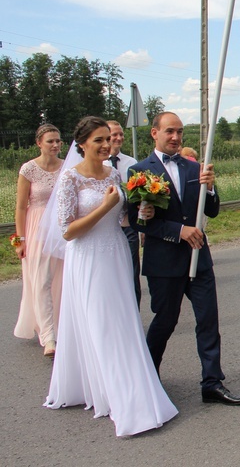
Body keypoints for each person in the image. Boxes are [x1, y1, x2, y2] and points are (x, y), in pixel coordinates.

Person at [44, 116, 177, 437]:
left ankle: (134, 383)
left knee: (123, 319)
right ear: (82, 145)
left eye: (108, 139)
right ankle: (117, 395)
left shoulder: (115, 173)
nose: (106, 145)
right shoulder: (70, 179)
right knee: (100, 324)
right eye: (98, 140)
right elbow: (67, 231)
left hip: (116, 253)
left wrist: (142, 212)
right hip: (87, 258)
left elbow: (124, 220)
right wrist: (104, 207)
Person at [128, 111, 240, 406]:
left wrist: (211, 186)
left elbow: (212, 210)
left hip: (198, 258)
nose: (176, 137)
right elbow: (140, 222)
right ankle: (148, 377)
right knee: (165, 321)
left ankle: (212, 382)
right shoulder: (140, 172)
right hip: (164, 261)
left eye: (180, 132)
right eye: (169, 131)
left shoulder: (195, 167)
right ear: (154, 133)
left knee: (208, 320)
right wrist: (179, 231)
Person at [13, 124, 64, 357]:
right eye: (50, 141)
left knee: (61, 280)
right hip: (36, 228)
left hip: (61, 228)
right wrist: (20, 239)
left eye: (58, 141)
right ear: (39, 143)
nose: (55, 145)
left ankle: (61, 326)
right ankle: (48, 336)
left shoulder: (67, 167)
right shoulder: (29, 169)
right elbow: (21, 206)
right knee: (41, 280)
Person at [104, 120, 142, 308]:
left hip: (128, 228)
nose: (118, 138)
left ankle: (133, 313)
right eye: (114, 135)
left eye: (121, 134)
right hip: (104, 229)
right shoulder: (97, 164)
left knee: (132, 274)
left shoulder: (131, 163)